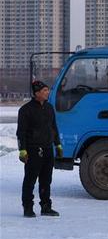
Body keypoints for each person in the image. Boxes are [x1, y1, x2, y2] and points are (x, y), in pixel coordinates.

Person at [16, 81, 63, 218]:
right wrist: (22, 150)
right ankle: (28, 207)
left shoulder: (49, 108)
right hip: (33, 149)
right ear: (36, 93)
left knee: (46, 180)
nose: (47, 93)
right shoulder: (25, 110)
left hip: (48, 148)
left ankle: (46, 207)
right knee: (30, 180)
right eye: (44, 91)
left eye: (47, 90)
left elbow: (53, 128)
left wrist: (57, 144)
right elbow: (21, 132)